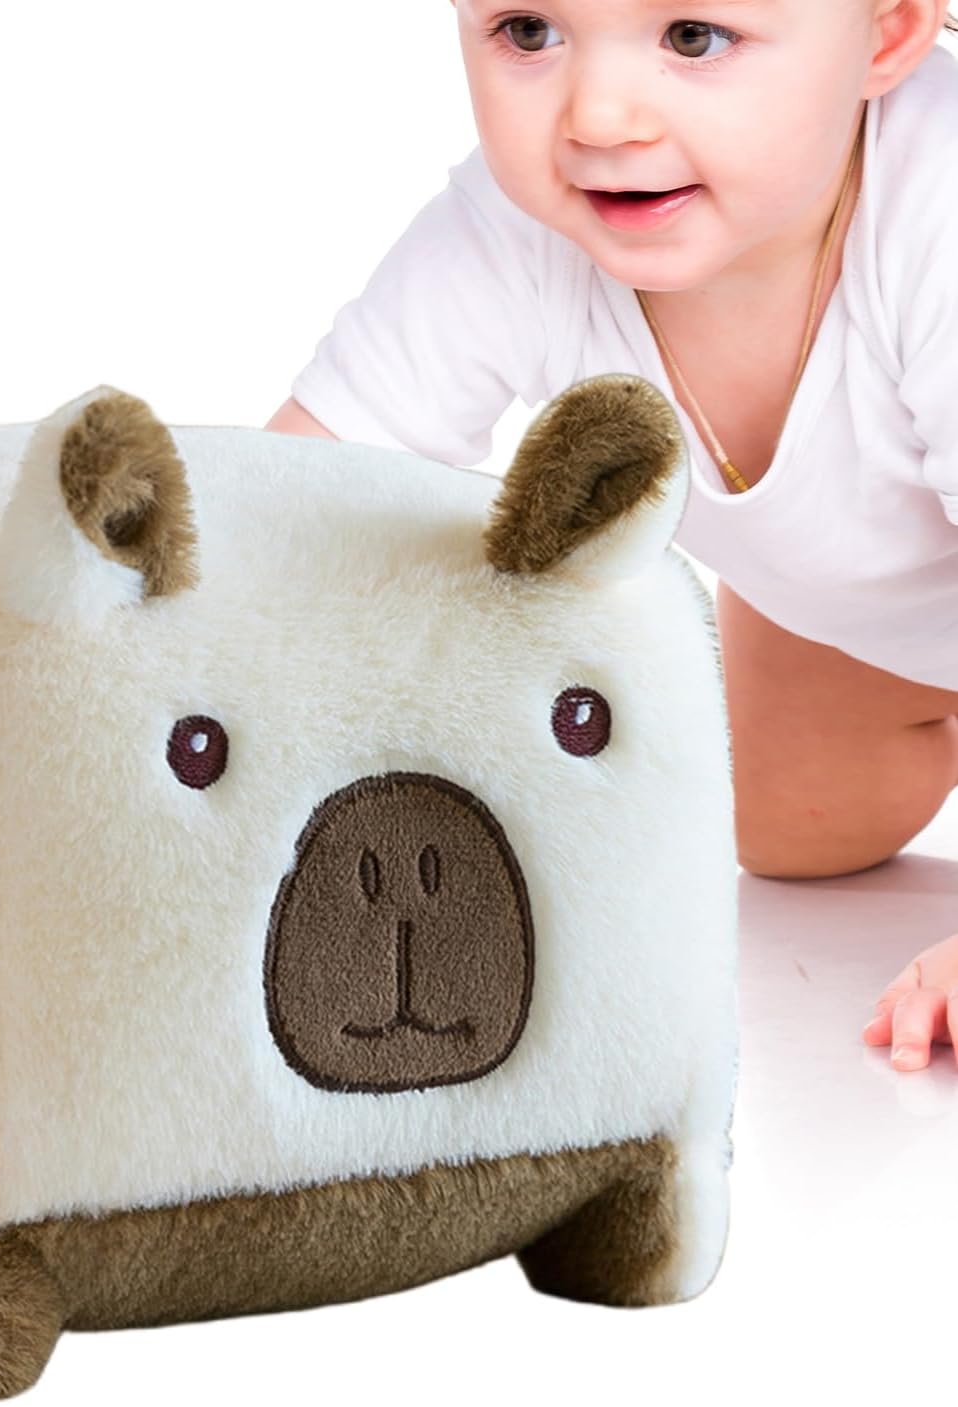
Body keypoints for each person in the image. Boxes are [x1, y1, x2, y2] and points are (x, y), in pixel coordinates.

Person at [266, 1, 958, 1070]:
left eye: (693, 37)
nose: (599, 117)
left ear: (890, 32)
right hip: (878, 601)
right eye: (528, 32)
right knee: (789, 822)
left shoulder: (937, 209)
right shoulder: (514, 233)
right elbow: (295, 516)